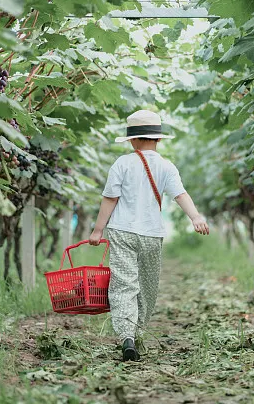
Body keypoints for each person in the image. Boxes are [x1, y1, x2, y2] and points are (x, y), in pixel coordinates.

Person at [89, 109, 209, 361]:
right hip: (152, 235)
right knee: (147, 287)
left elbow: (110, 198)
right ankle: (138, 330)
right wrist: (195, 217)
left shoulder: (122, 164)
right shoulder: (167, 166)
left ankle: (127, 336)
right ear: (159, 139)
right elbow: (180, 195)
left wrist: (98, 229)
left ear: (132, 140)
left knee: (123, 285)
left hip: (122, 231)